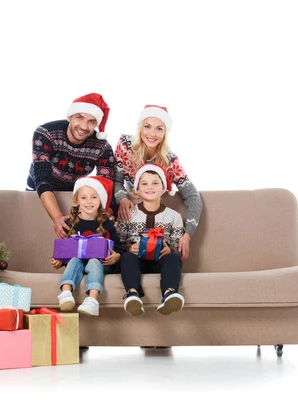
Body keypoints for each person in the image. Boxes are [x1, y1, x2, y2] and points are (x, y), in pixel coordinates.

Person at [113, 105, 202, 260]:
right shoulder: (126, 145)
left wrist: (187, 235)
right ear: (140, 128)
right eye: (147, 126)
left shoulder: (170, 160)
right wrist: (123, 198)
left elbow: (193, 197)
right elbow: (116, 180)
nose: (152, 134)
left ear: (165, 132)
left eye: (159, 129)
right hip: (129, 212)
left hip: (158, 215)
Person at [27, 93, 116, 239]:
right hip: (39, 190)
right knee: (37, 236)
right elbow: (41, 178)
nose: (83, 126)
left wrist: (107, 217)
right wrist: (57, 217)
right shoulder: (45, 133)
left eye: (91, 121)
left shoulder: (103, 147)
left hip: (72, 193)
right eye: (79, 117)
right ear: (70, 117)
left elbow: (106, 186)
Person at [117, 164, 185, 317]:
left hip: (160, 261)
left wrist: (170, 249)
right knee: (127, 258)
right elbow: (118, 243)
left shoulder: (174, 216)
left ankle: (169, 293)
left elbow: (176, 245)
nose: (150, 187)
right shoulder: (129, 213)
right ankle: (133, 294)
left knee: (173, 258)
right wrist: (128, 249)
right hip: (136, 261)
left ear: (163, 188)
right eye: (144, 183)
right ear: (137, 189)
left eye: (155, 183)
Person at [50, 176, 121, 316]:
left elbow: (119, 249)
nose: (89, 202)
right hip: (78, 265)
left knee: (94, 261)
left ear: (100, 200)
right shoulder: (70, 224)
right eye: (84, 198)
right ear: (77, 200)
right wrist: (57, 260)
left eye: (94, 197)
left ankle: (92, 300)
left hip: (100, 264)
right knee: (75, 260)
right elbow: (64, 250)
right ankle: (65, 293)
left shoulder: (108, 224)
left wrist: (116, 256)